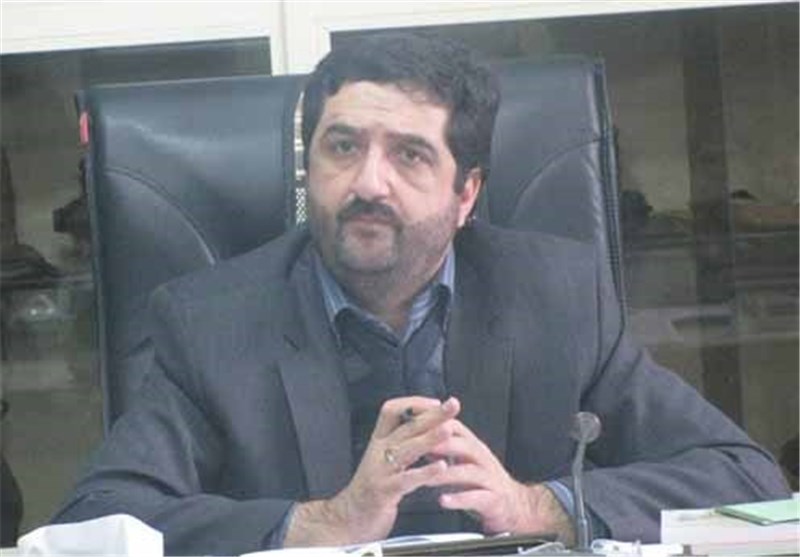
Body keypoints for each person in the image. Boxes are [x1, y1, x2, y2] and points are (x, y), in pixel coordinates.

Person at [52, 34, 790, 555]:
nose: (368, 183)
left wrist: (538, 505)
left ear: (467, 193)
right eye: (343, 146)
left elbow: (744, 475)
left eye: (409, 155)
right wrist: (324, 522)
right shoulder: (211, 322)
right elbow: (96, 520)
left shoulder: (558, 296)